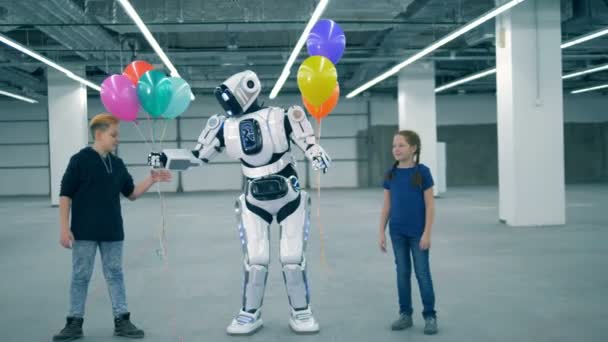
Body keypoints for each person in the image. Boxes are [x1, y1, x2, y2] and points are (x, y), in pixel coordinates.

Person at [148, 70, 331, 335]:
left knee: (292, 258)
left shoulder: (283, 116)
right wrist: (164, 158)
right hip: (253, 198)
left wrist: (316, 154)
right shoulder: (223, 126)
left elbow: (309, 143)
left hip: (289, 195)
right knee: (255, 260)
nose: (228, 102)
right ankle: (249, 313)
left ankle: (301, 311)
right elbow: (199, 156)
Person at [53, 113, 172, 341]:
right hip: (84, 231)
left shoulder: (117, 164)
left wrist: (152, 179)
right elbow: (65, 195)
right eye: (113, 135)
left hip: (113, 231)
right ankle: (73, 323)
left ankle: (122, 321)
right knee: (80, 276)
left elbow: (132, 193)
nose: (117, 139)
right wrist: (63, 228)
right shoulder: (79, 160)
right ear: (99, 134)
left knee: (115, 275)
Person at [378, 130, 438, 335]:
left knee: (422, 274)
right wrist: (381, 232)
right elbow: (386, 206)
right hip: (397, 233)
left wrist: (427, 234)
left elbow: (430, 206)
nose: (396, 149)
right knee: (402, 274)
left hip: (418, 234)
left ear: (413, 148)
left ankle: (430, 316)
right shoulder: (390, 174)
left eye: (401, 145)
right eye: (394, 145)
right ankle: (405, 314)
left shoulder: (422, 173)